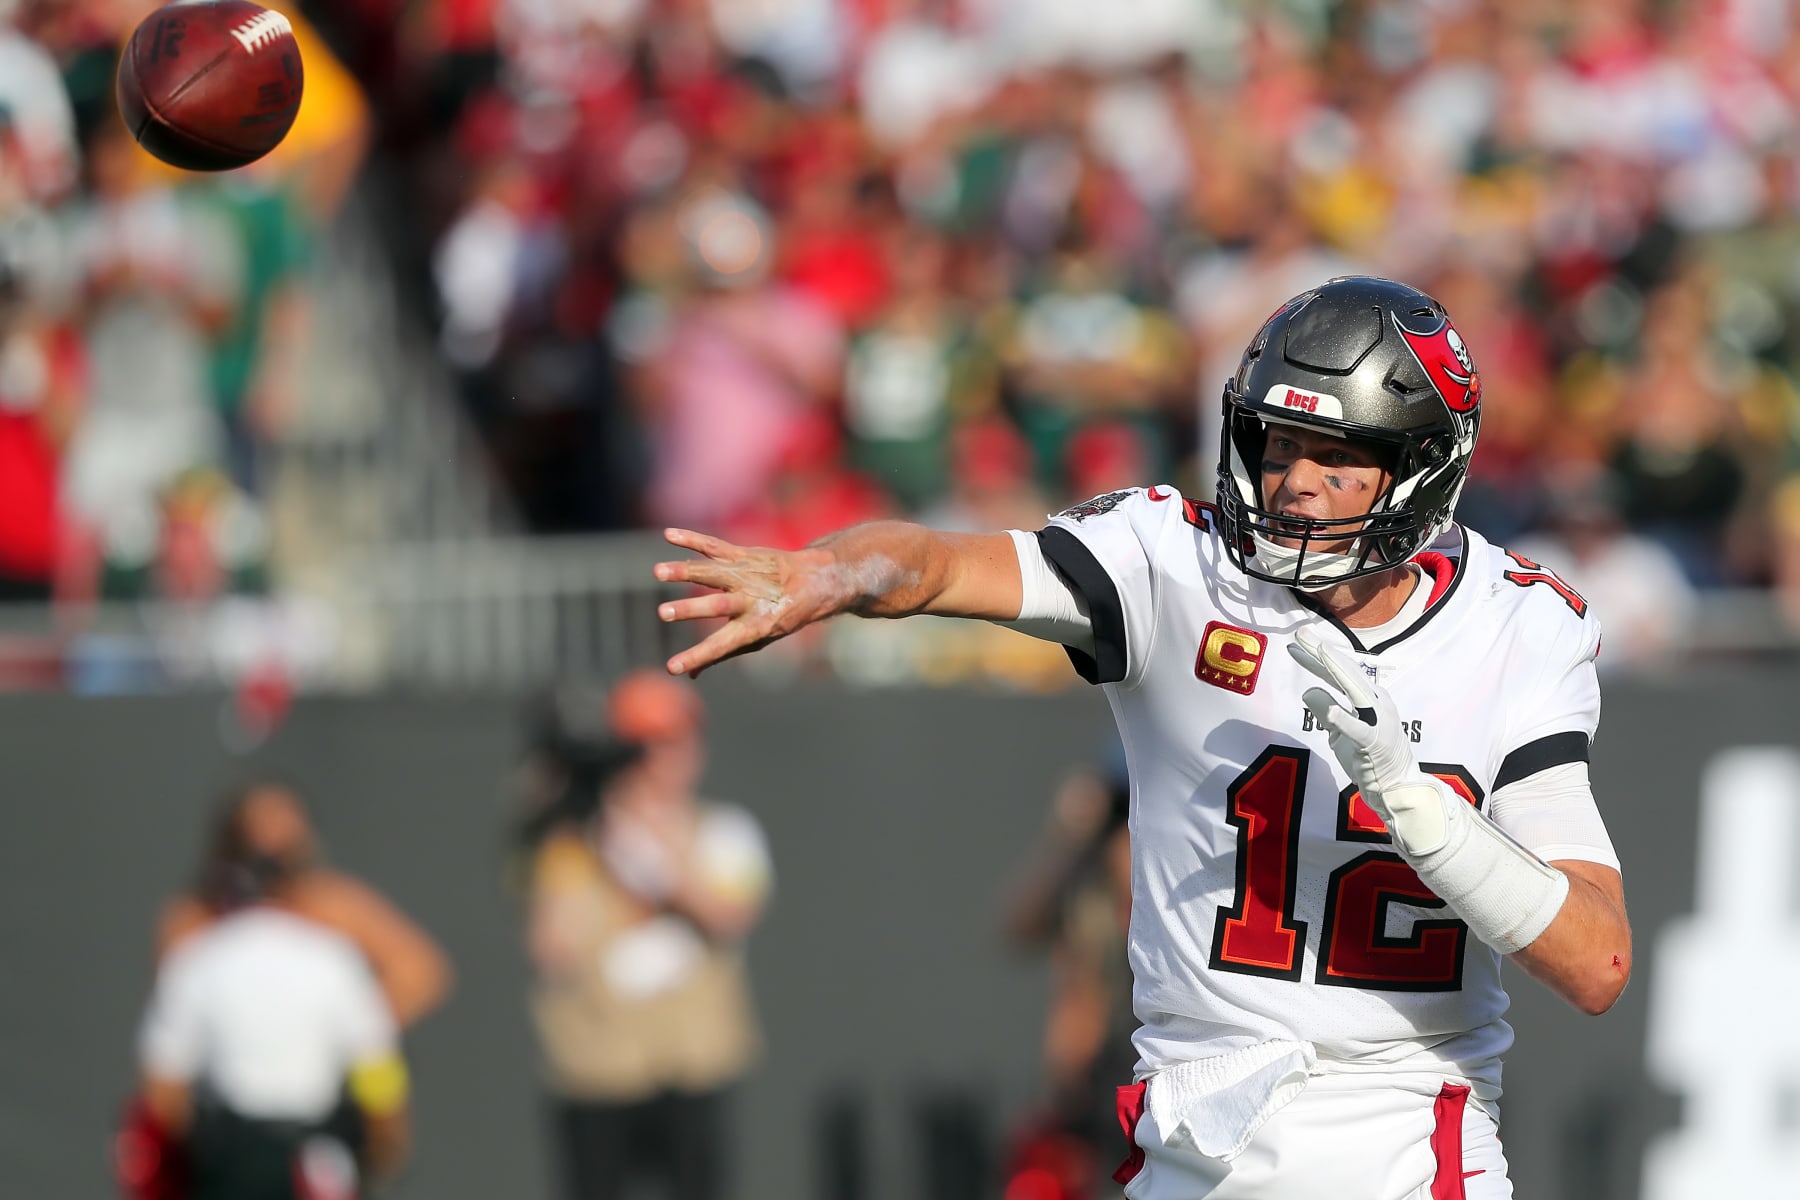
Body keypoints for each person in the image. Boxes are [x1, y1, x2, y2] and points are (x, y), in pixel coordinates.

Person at [652, 275, 1631, 1198]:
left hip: (1403, 1141)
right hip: (1195, 1136)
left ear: (1421, 467)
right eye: (1276, 446)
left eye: (1333, 458)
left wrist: (1422, 809)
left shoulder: (1512, 628)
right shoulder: (1173, 566)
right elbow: (941, 565)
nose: (1292, 483)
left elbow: (1596, 962)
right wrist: (837, 575)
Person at [519, 670, 772, 1200]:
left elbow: (731, 915)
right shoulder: (572, 842)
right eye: (642, 746)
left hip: (693, 1061)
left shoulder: (724, 830)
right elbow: (552, 945)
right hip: (598, 1066)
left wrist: (660, 852)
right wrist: (580, 825)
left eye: (673, 741)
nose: (658, 760)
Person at [133, 821, 412, 1200]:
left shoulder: (200, 957)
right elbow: (376, 1069)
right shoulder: (333, 958)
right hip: (315, 1155)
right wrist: (386, 1146)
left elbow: (163, 1087)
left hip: (229, 1157)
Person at [157, 781, 452, 1031]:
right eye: (254, 847)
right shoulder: (198, 916)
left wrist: (338, 1032)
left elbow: (421, 972)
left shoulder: (334, 906)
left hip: (327, 1090)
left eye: (283, 852)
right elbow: (176, 1008)